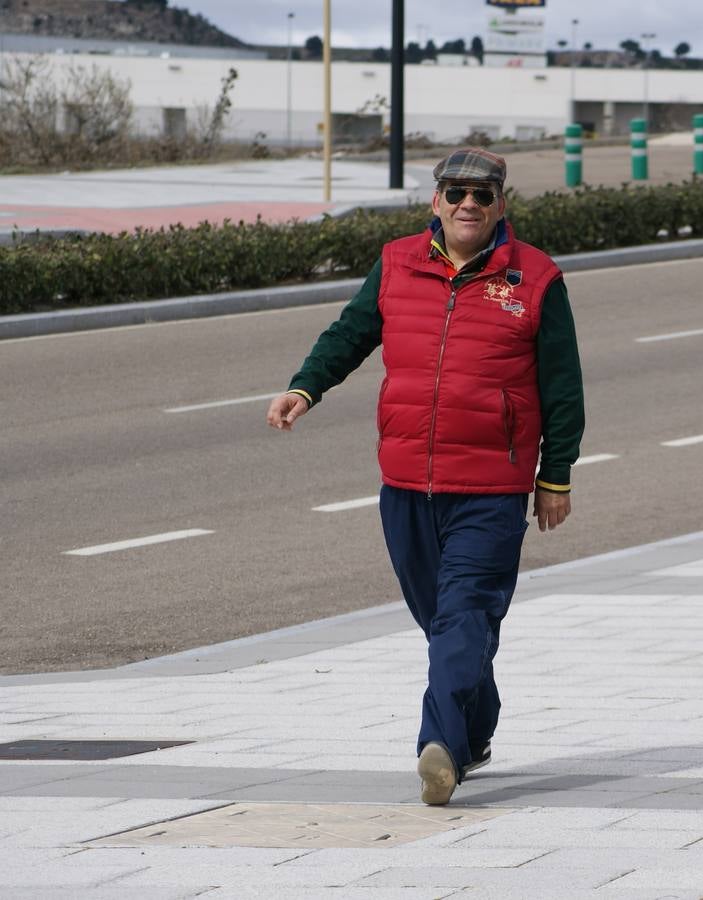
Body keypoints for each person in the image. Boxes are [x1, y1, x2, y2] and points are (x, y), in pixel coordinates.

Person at [265, 147, 584, 806]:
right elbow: (350, 334)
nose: (469, 204)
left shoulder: (536, 278)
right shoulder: (396, 263)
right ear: (435, 200)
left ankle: (442, 750)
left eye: (482, 194)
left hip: (492, 487)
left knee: (464, 611)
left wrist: (555, 477)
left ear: (502, 204)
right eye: (456, 192)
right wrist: (306, 387)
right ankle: (478, 720)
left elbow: (563, 390)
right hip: (406, 481)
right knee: (442, 621)